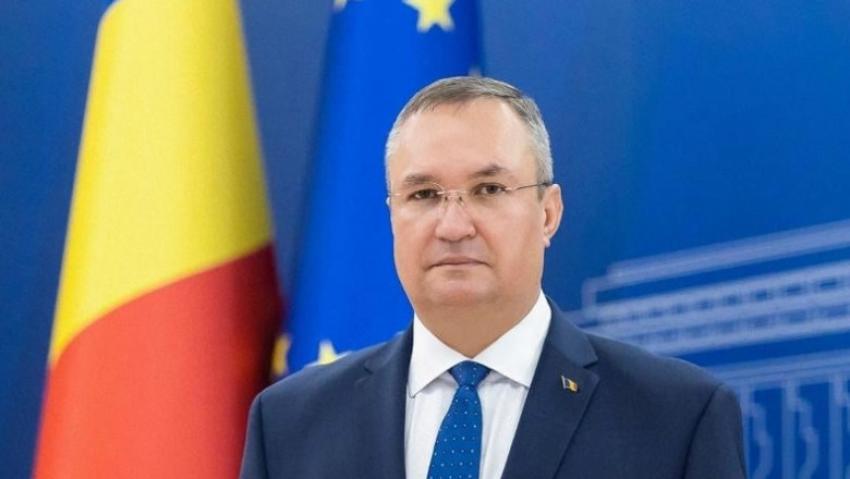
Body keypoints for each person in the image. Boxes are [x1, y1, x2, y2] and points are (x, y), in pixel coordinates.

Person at [240, 76, 747, 479]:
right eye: (423, 195)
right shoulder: (288, 424)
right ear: (392, 215)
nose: (453, 226)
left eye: (488, 189)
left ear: (548, 213)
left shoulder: (677, 417)